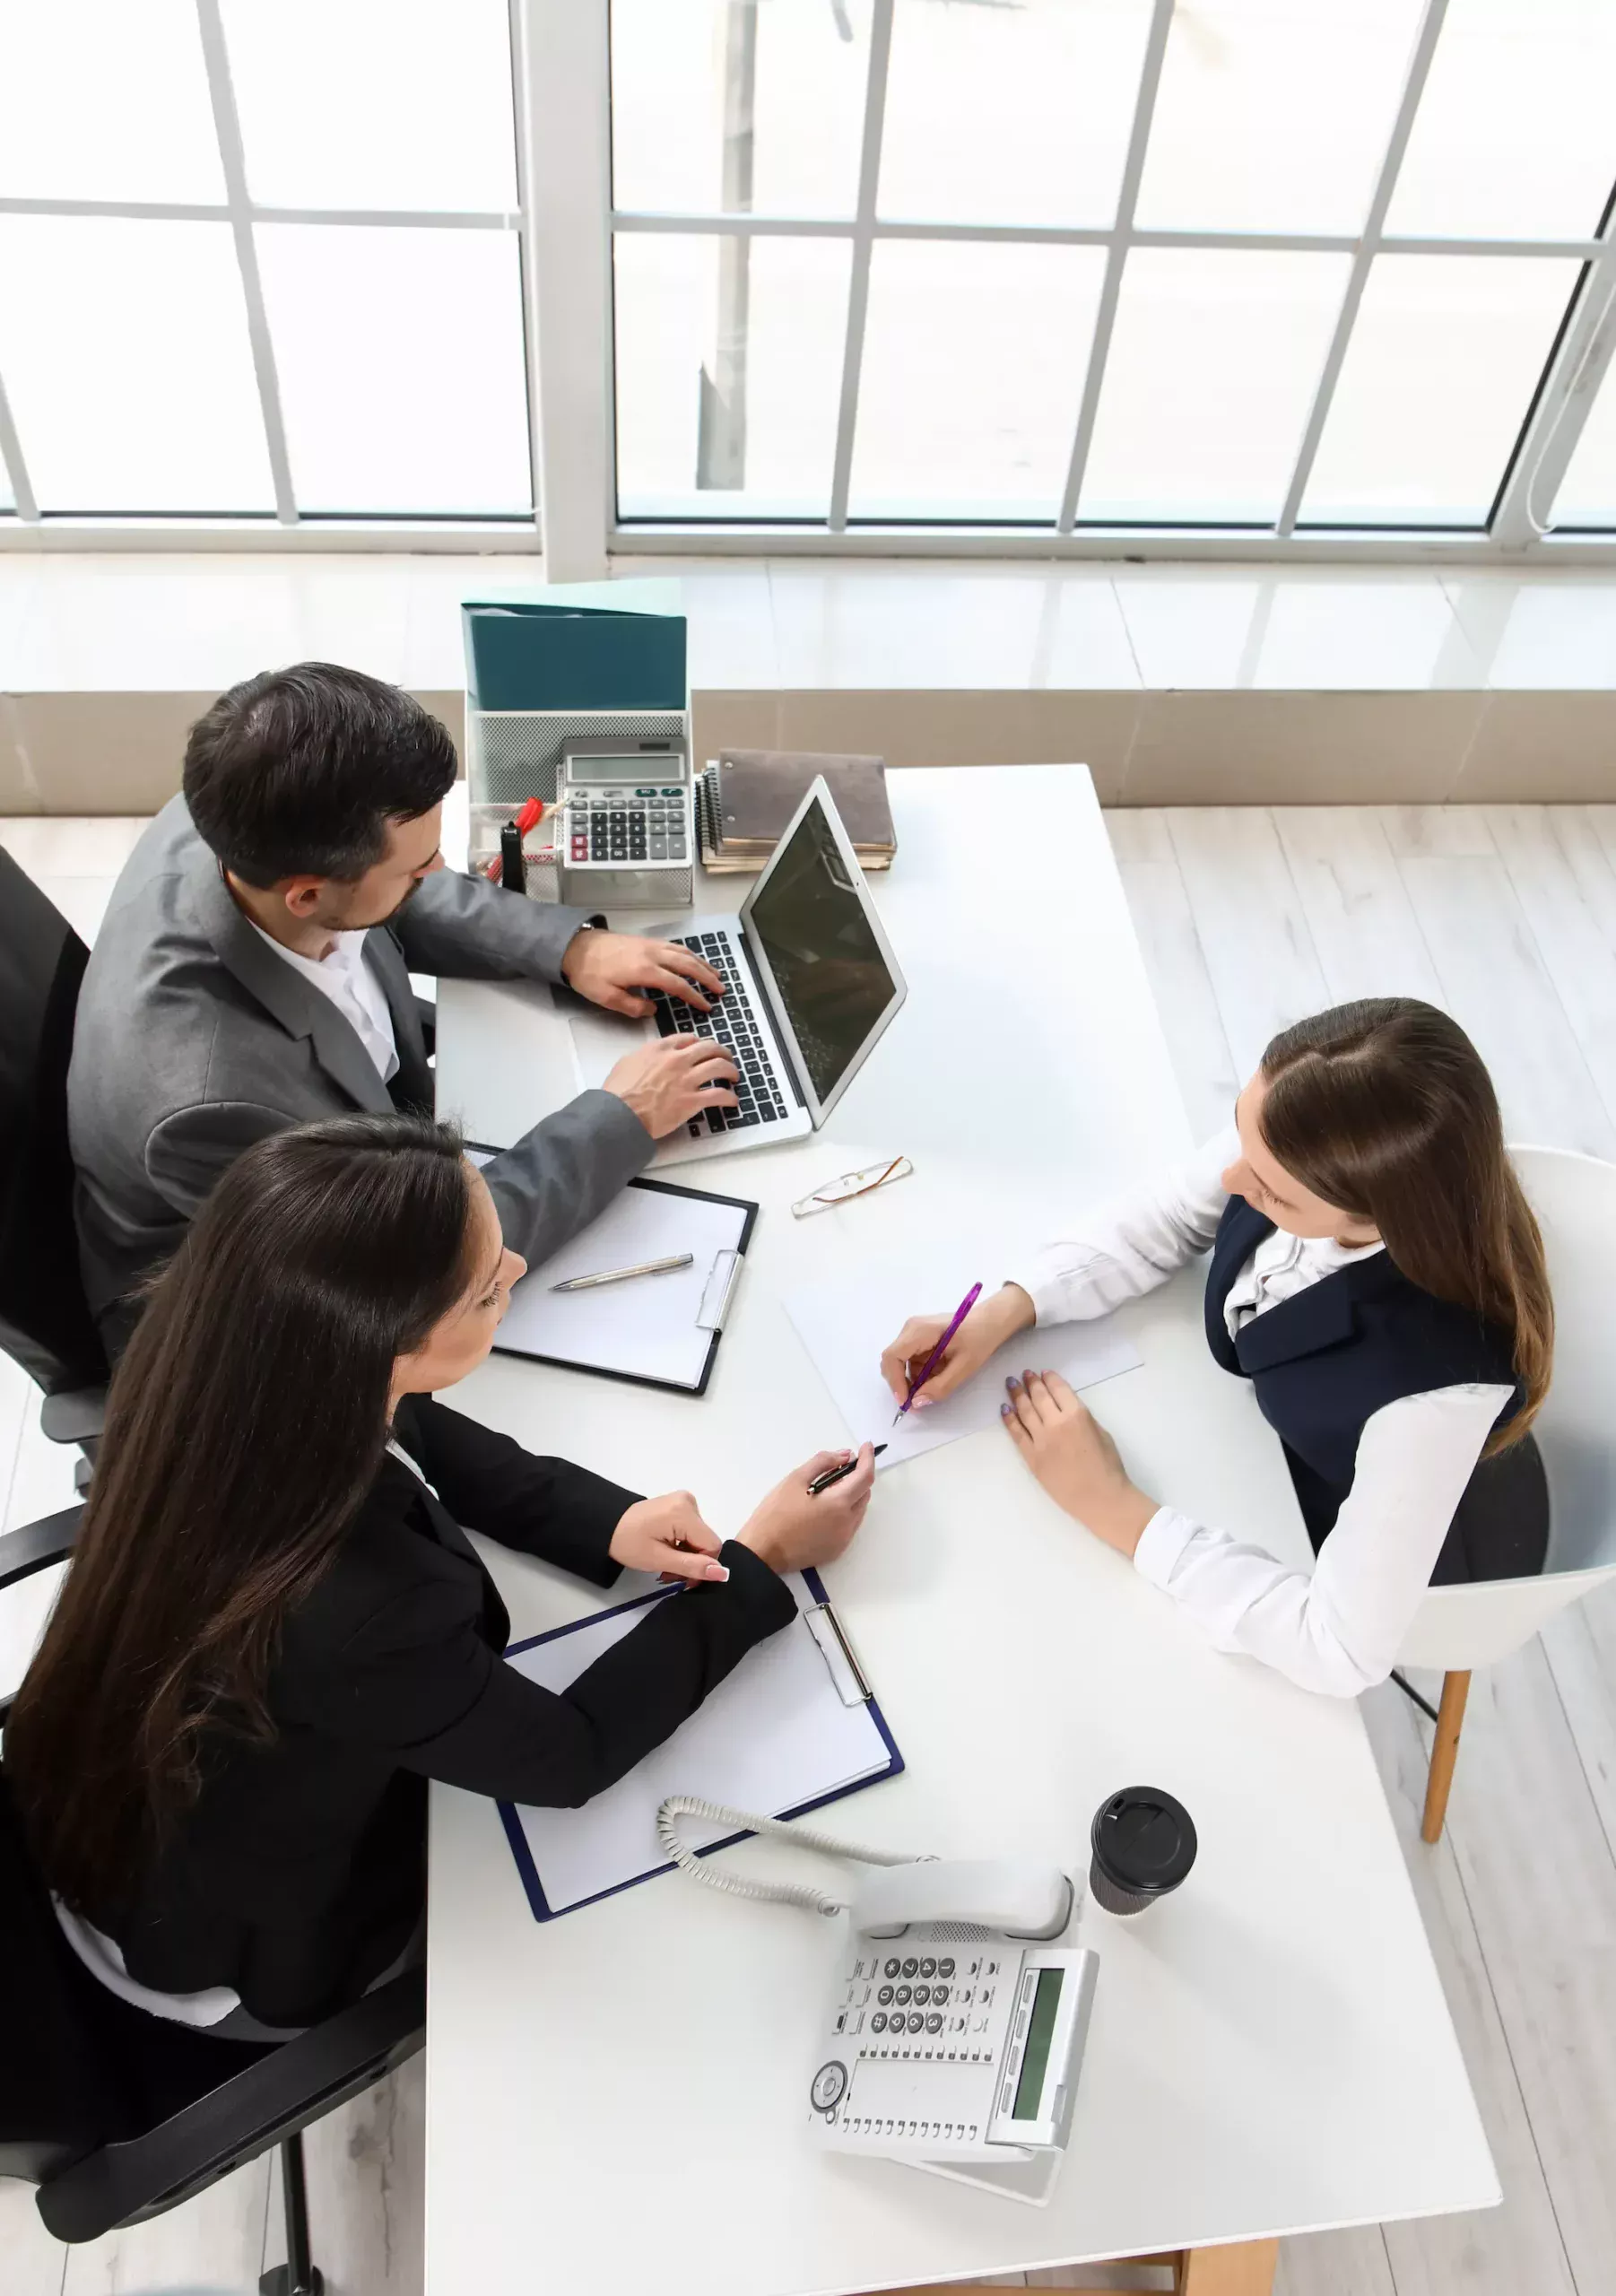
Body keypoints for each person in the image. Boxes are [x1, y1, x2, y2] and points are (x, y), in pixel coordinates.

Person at [6, 1114, 874, 2039]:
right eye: (483, 1292)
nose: (511, 1276)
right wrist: (758, 1564)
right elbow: (566, 1754)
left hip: (111, 1790)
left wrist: (607, 1521)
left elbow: (416, 1433)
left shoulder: (228, 1354)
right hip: (233, 1933)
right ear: (384, 1343)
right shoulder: (363, 1607)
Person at [880, 999, 1552, 1699]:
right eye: (1240, 1133)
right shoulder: (1299, 1137)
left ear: (1379, 1214)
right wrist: (1009, 1309)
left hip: (1375, 1523)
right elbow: (1171, 1213)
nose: (1232, 1179)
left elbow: (1338, 1652)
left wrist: (1114, 1507)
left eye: (1271, 1193)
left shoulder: (1433, 1395)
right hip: (1268, 1435)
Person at [68, 663, 739, 1349]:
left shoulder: (251, 813)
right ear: (306, 895)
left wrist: (571, 950)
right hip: (264, 1332)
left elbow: (389, 890)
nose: (435, 873)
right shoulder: (212, 1103)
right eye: (419, 869)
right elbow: (429, 1258)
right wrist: (621, 1118)